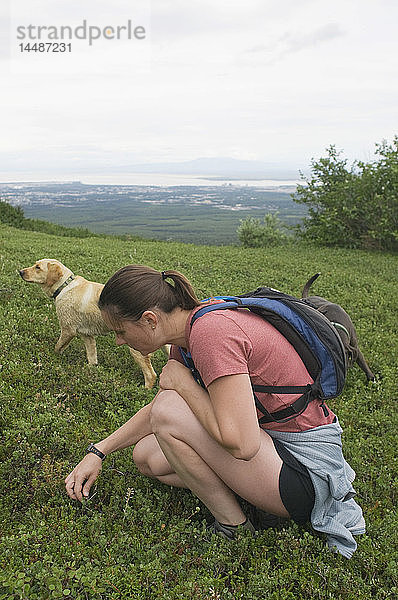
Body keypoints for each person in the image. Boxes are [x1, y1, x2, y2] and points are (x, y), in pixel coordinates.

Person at [65, 265, 365, 557]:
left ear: (149, 320)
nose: (118, 341)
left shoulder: (211, 334)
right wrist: (99, 451)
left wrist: (184, 386)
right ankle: (254, 498)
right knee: (148, 457)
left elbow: (243, 445)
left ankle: (234, 525)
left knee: (170, 412)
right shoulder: (191, 329)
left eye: (120, 331)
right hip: (276, 450)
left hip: (306, 472)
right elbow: (159, 410)